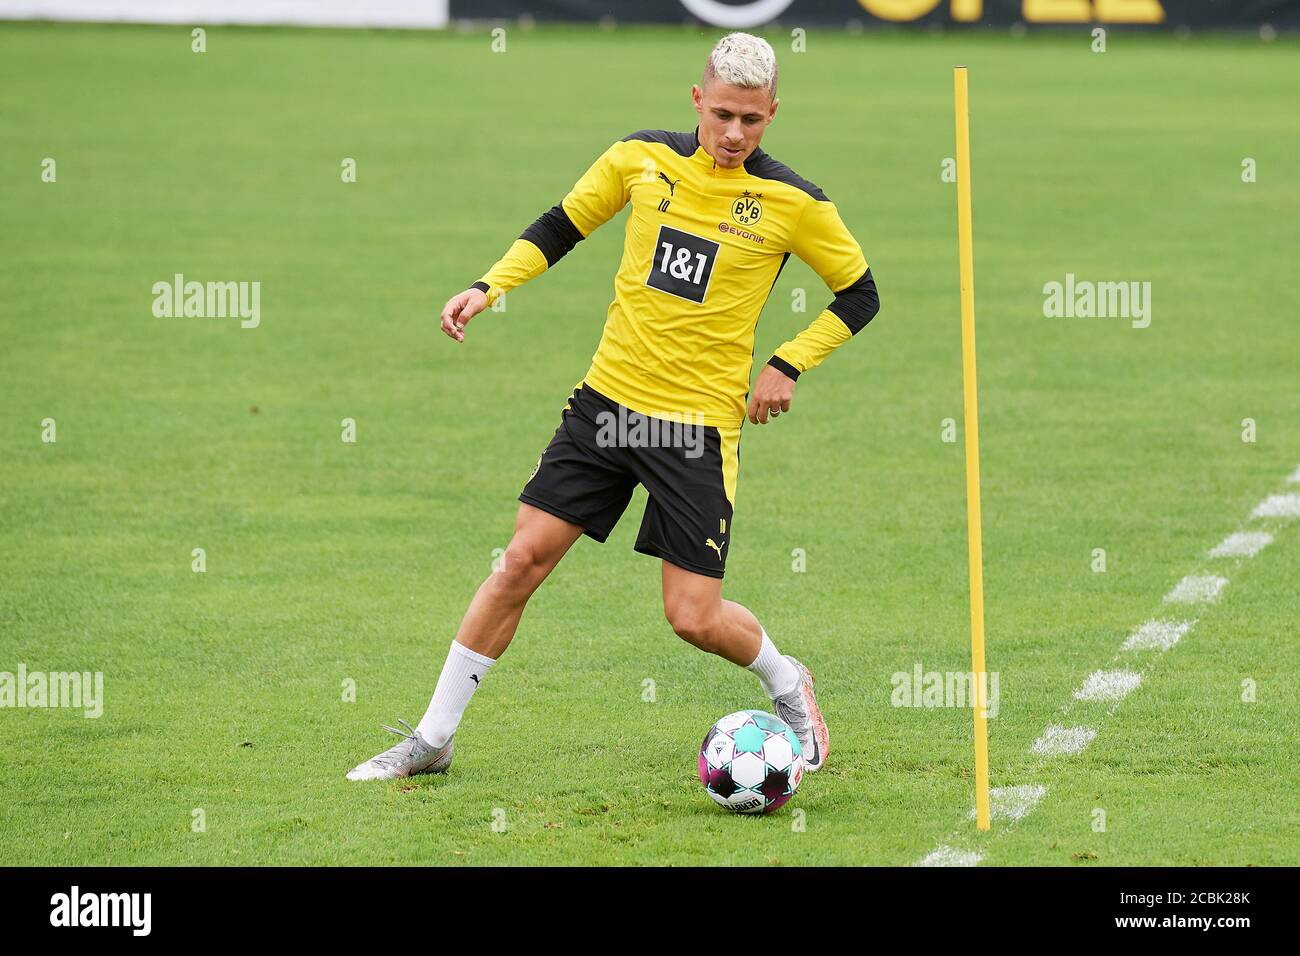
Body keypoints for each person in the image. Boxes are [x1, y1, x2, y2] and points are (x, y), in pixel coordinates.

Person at [347, 31, 878, 782]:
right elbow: (563, 223)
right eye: (722, 114)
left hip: (694, 430)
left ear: (772, 115)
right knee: (520, 562)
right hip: (606, 407)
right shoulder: (639, 158)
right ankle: (433, 740)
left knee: (692, 617)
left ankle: (789, 682)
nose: (733, 134)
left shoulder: (795, 202)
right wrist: (488, 286)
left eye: (751, 121)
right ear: (697, 100)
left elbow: (860, 293)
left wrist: (788, 363)